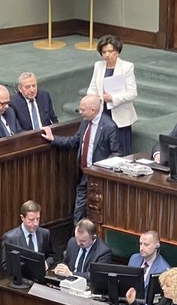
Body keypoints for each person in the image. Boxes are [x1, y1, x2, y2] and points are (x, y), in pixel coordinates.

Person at [42, 95, 121, 224]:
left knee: (97, 212)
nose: (80, 112)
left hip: (100, 177)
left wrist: (99, 168)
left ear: (93, 110)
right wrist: (53, 139)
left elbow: (116, 153)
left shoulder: (109, 126)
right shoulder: (85, 122)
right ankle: (77, 234)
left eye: (83, 110)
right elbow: (74, 141)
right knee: (78, 210)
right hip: (84, 174)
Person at [86, 35, 138, 156]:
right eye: (104, 52)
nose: (107, 55)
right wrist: (94, 98)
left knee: (121, 151)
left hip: (120, 115)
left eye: (110, 51)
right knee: (103, 149)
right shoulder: (98, 66)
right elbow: (92, 88)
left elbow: (132, 93)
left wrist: (112, 98)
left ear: (117, 51)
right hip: (102, 111)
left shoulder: (127, 67)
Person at [1, 200, 56, 269]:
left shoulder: (45, 234)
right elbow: (6, 265)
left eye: (38, 219)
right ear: (22, 218)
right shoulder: (10, 238)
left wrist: (46, 263)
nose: (36, 223)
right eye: (31, 220)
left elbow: (52, 256)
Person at [127, 231, 170, 305]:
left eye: (146, 244)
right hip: (129, 302)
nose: (141, 248)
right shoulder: (134, 259)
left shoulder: (163, 269)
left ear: (157, 245)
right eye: (140, 244)